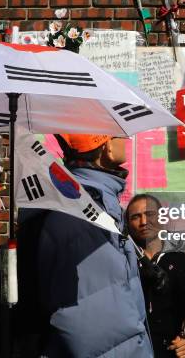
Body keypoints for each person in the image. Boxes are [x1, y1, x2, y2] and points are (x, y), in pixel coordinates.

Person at [14, 134, 153, 357]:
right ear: (105, 147)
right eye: (117, 134)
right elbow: (101, 327)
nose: (125, 139)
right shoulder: (84, 214)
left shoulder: (80, 201)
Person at [126, 194, 185, 358]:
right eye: (136, 217)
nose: (144, 222)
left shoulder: (183, 263)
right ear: (128, 224)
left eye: (150, 214)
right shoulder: (121, 263)